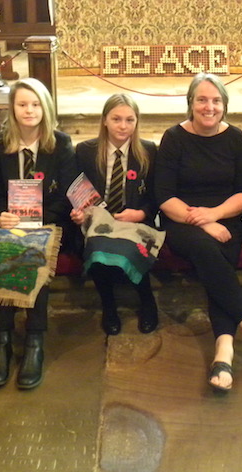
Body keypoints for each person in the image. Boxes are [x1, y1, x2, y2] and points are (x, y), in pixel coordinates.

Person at [155, 72, 242, 394]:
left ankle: (224, 351)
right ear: (190, 103)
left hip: (225, 218)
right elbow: (163, 196)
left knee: (218, 260)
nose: (209, 106)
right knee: (206, 250)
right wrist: (201, 221)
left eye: (215, 100)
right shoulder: (174, 138)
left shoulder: (235, 138)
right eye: (202, 99)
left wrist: (214, 215)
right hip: (182, 222)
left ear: (224, 105)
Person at [0, 78, 77, 389]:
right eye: (22, 104)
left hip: (50, 223)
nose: (29, 110)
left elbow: (66, 195)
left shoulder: (60, 143)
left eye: (36, 104)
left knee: (34, 249)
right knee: (3, 246)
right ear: (12, 108)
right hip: (10, 223)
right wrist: (1, 216)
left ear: (46, 108)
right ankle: (3, 338)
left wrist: (39, 221)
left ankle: (35, 340)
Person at [72, 93, 159, 335]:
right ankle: (109, 306)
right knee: (96, 247)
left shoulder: (148, 151)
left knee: (133, 245)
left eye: (129, 120)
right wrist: (80, 213)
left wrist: (141, 214)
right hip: (97, 220)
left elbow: (156, 196)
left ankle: (147, 301)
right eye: (116, 119)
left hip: (133, 219)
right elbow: (77, 191)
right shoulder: (86, 151)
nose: (123, 126)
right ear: (104, 121)